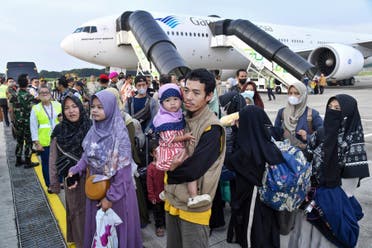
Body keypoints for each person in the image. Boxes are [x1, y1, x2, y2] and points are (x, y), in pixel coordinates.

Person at [287, 94, 370, 247]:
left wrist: (327, 200)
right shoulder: (321, 133)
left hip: (334, 203)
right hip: (310, 197)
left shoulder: (351, 140)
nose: (332, 111)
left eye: (337, 109)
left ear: (348, 113)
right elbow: (308, 158)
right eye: (330, 107)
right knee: (304, 237)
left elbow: (349, 186)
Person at [68, 90, 142, 248]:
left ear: (110, 108)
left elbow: (123, 174)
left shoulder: (119, 135)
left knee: (115, 234)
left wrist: (110, 198)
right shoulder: (93, 131)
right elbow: (87, 156)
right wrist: (76, 169)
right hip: (96, 189)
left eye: (100, 107)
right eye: (93, 106)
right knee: (100, 234)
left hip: (116, 195)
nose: (94, 110)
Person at [164, 69, 226, 248]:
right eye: (186, 90)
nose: (189, 97)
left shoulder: (212, 128)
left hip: (194, 207)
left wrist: (167, 168)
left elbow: (193, 169)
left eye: (196, 92)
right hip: (174, 199)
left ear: (209, 96)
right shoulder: (183, 118)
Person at [226, 105, 282, 248]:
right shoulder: (270, 142)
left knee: (253, 234)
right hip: (269, 198)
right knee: (268, 231)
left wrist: (234, 132)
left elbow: (230, 162)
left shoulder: (244, 150)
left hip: (251, 201)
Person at [154, 83, 211, 208]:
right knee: (190, 169)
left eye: (176, 99)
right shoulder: (164, 119)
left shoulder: (177, 114)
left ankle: (167, 191)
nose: (173, 103)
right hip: (172, 151)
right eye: (168, 100)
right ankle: (193, 196)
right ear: (162, 103)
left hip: (175, 149)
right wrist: (184, 137)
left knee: (176, 173)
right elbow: (169, 138)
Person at [48, 95, 91, 248]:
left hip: (92, 179)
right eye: (66, 108)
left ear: (80, 107)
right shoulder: (59, 129)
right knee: (77, 214)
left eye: (74, 106)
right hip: (72, 181)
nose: (71, 111)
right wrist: (54, 183)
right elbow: (53, 158)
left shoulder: (91, 126)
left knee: (93, 215)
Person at [274, 81, 323, 150]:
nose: (292, 96)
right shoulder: (282, 112)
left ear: (303, 95)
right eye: (290, 93)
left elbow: (322, 136)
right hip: (284, 154)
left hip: (303, 156)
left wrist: (307, 137)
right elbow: (275, 133)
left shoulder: (312, 114)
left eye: (297, 93)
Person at [30, 85, 62, 191]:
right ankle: (50, 184)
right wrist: (36, 142)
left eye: (46, 92)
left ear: (50, 94)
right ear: (38, 95)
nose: (44, 94)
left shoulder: (58, 105)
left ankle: (60, 181)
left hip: (59, 139)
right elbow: (33, 126)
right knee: (47, 165)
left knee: (60, 162)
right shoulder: (36, 108)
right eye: (41, 92)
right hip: (45, 141)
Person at [9, 74, 38, 168]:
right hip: (27, 123)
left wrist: (13, 122)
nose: (29, 80)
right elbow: (34, 110)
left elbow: (10, 110)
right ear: (26, 82)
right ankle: (28, 161)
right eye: (28, 79)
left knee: (19, 141)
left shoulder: (14, 95)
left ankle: (18, 160)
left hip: (17, 123)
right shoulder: (29, 96)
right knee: (28, 142)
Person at [146, 140, 166, 237]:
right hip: (156, 196)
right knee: (158, 213)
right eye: (155, 152)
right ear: (151, 154)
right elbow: (149, 184)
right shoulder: (151, 168)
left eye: (159, 150)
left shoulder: (166, 163)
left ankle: (166, 224)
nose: (158, 153)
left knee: (166, 211)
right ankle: (159, 226)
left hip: (166, 194)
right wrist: (151, 196)